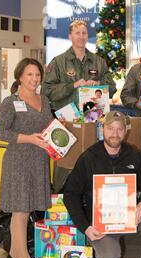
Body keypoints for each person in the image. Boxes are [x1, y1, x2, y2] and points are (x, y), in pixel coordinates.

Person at [63, 111, 141, 258]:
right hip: (100, 224)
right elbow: (70, 195)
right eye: (110, 128)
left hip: (129, 218)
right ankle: (102, 255)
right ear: (102, 130)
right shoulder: (88, 157)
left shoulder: (133, 155)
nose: (115, 133)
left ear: (125, 131)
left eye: (119, 129)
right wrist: (86, 227)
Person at [0, 58, 54, 258]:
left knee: (25, 208)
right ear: (20, 76)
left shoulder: (44, 100)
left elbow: (47, 126)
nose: (34, 79)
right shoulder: (11, 102)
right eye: (29, 74)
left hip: (38, 160)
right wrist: (28, 138)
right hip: (18, 161)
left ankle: (14, 253)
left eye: (37, 75)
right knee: (20, 209)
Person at [42, 20, 116, 193]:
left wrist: (97, 85)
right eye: (77, 33)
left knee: (93, 167)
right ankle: (61, 205)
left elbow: (112, 87)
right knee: (65, 168)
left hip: (94, 123)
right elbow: (46, 90)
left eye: (84, 33)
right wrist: (72, 86)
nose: (81, 37)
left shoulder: (98, 62)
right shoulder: (59, 62)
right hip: (67, 124)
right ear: (70, 36)